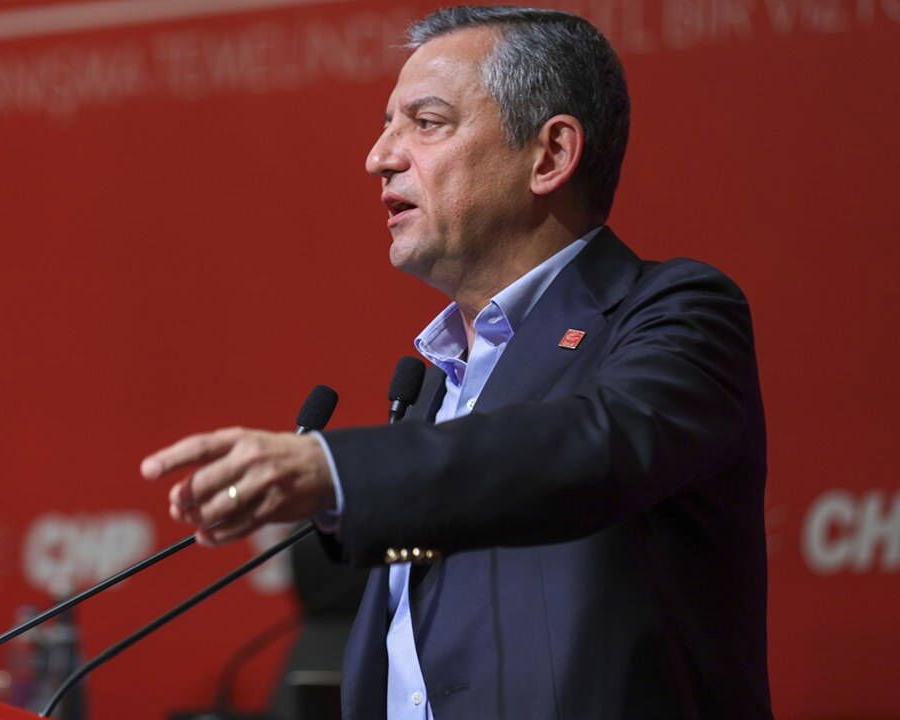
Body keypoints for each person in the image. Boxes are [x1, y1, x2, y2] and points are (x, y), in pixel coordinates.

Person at [141, 6, 772, 719]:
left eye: (427, 122)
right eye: (387, 124)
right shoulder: (435, 385)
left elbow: (591, 447)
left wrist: (335, 470)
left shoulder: (674, 313)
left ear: (550, 156)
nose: (379, 156)